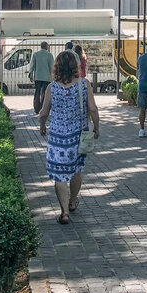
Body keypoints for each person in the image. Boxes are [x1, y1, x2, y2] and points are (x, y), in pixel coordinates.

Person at [39, 50, 99, 224]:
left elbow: (44, 112)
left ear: (57, 66)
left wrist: (43, 126)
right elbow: (93, 108)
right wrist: (97, 127)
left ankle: (64, 212)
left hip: (57, 138)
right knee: (76, 170)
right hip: (77, 136)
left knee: (59, 175)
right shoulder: (84, 84)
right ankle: (73, 200)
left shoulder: (52, 87)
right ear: (75, 66)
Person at [30, 41, 54, 114]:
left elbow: (32, 66)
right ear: (46, 47)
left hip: (38, 76)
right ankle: (43, 108)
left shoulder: (35, 54)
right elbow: (52, 67)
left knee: (37, 92)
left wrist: (31, 75)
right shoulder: (49, 55)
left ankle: (37, 108)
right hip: (47, 77)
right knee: (45, 93)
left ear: (41, 46)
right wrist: (53, 76)